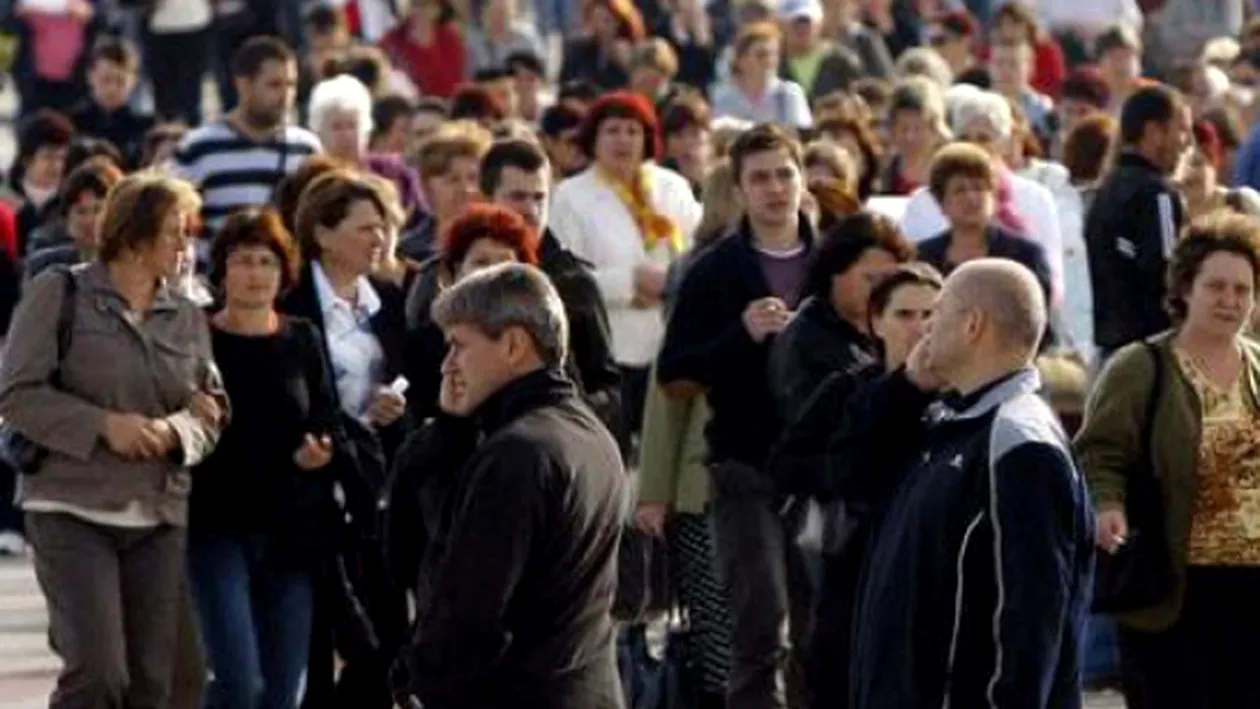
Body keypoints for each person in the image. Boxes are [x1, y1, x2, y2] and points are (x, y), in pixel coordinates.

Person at [0, 171, 227, 709]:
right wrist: (104, 426)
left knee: (157, 685)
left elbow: (212, 410)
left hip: (158, 513)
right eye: (174, 231)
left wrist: (177, 431)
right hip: (71, 507)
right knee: (98, 674)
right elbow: (17, 394)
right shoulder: (60, 292)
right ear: (134, 235)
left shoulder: (187, 313)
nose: (184, 245)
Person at [840, 258, 1094, 708]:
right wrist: (907, 387)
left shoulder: (1019, 443)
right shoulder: (947, 420)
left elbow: (1029, 619)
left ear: (973, 324)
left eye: (937, 313)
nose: (925, 329)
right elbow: (848, 472)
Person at [390, 262, 626, 708]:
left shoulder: (516, 455)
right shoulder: (591, 435)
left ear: (514, 345)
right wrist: (450, 431)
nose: (447, 365)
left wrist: (418, 688)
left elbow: (468, 608)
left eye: (459, 346)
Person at [657, 124, 815, 709]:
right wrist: (740, 336)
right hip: (744, 467)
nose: (775, 189)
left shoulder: (836, 260)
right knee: (759, 624)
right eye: (760, 178)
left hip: (823, 470)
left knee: (818, 628)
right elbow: (674, 374)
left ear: (802, 180)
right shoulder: (713, 270)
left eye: (784, 174)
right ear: (740, 190)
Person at [1074, 212, 1260, 708]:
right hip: (1170, 591)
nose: (1229, 301)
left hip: (1250, 595)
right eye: (1215, 286)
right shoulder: (1142, 366)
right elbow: (1099, 452)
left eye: (1242, 290)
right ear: (1184, 288)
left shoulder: (1258, 367)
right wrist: (1107, 504)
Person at [768, 261, 942, 709]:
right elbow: (788, 465)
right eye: (905, 315)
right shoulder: (847, 390)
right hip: (854, 568)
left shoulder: (961, 395)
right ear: (877, 323)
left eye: (931, 315)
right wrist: (844, 476)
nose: (919, 327)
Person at [187, 207, 339, 709]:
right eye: (243, 261)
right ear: (222, 271)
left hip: (289, 531)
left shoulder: (301, 338)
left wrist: (320, 451)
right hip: (214, 528)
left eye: (266, 262)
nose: (255, 273)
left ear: (284, 272)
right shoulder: (196, 339)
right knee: (237, 680)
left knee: (281, 693)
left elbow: (325, 413)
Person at [281, 169, 410, 709]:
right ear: (324, 234)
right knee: (315, 635)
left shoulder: (386, 298)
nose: (377, 240)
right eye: (364, 229)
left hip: (373, 487)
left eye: (382, 228)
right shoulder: (291, 303)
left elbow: (412, 377)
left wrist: (396, 402)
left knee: (383, 629)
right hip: (310, 489)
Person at [550, 92, 701, 447]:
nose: (623, 140)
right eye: (613, 130)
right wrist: (628, 283)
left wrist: (673, 283)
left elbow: (700, 252)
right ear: (593, 139)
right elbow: (567, 279)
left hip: (668, 346)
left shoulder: (672, 187)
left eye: (633, 131)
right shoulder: (571, 195)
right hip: (609, 351)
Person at [480, 139, 622, 431]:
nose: (531, 209)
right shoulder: (451, 272)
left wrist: (570, 413)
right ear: (487, 198)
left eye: (540, 198)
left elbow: (607, 387)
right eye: (517, 197)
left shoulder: (575, 283)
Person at [172, 36, 322, 244]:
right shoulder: (198, 148)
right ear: (243, 85)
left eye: (291, 85)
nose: (285, 96)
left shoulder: (306, 149)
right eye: (274, 85)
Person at [768, 212, 911, 424]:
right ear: (834, 274)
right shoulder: (804, 343)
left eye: (890, 280)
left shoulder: (889, 330)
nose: (881, 290)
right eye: (870, 279)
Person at [1085, 84, 1191, 360]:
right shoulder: (1157, 194)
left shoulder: (1105, 189)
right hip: (1149, 356)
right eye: (1181, 130)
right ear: (1155, 132)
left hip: (1106, 351)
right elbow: (1169, 275)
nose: (1185, 143)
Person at [916, 142, 1054, 307]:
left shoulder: (1025, 256)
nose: (971, 198)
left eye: (979, 188)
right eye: (960, 190)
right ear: (941, 203)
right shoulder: (923, 259)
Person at [23, 158, 123, 283]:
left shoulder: (132, 269)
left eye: (98, 210)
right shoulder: (43, 266)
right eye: (81, 211)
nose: (90, 220)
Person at [69, 38, 154, 168]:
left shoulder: (146, 127)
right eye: (105, 79)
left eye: (121, 81)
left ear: (133, 82)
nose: (112, 89)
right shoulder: (71, 123)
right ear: (90, 77)